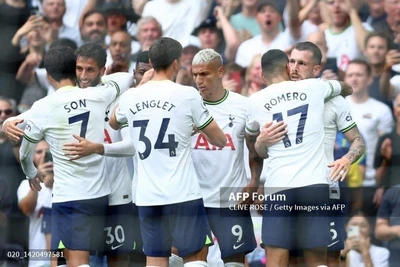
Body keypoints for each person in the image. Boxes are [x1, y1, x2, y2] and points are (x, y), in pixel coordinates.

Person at [109, 37, 227, 267]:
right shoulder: (187, 94)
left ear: (151, 63)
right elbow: (220, 139)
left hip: (147, 195)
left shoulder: (131, 96)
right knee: (195, 256)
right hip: (182, 193)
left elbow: (114, 122)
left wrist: (140, 86)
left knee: (155, 258)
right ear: (177, 62)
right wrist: (192, 130)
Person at [18, 46, 133, 267]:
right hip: (101, 196)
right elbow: (125, 77)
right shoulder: (97, 94)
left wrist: (31, 173)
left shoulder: (43, 106)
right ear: (74, 70)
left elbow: (25, 151)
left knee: (76, 262)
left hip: (70, 197)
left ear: (49, 76)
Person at [256, 42, 366, 265]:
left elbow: (358, 140)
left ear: (316, 70)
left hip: (323, 185)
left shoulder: (332, 99)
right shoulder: (269, 99)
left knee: (330, 259)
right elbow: (258, 150)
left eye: (302, 63)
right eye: (292, 61)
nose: (294, 68)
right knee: (288, 259)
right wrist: (260, 143)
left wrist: (346, 158)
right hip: (282, 186)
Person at [190, 48, 262, 266]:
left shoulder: (244, 106)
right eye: (195, 75)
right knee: (191, 258)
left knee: (235, 261)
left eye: (205, 74)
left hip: (231, 197)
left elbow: (253, 148)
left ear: (220, 72)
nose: (199, 80)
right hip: (194, 196)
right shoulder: (186, 104)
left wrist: (253, 183)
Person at [17, 139, 53, 267]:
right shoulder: (25, 184)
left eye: (48, 152)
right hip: (38, 261)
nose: (44, 155)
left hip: (67, 260)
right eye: (39, 152)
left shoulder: (66, 181)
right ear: (32, 157)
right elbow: (26, 209)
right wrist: (37, 178)